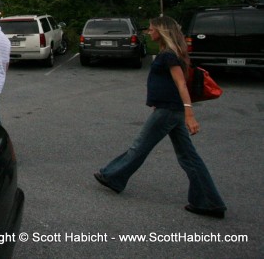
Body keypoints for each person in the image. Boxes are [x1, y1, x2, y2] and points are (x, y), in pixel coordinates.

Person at [93, 16, 227, 218]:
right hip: (170, 110)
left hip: (168, 111)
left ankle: (113, 176)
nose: (149, 32)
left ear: (163, 31)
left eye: (152, 29)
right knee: (188, 156)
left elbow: (181, 84)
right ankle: (209, 202)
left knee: (139, 147)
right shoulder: (169, 53)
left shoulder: (169, 55)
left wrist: (190, 114)